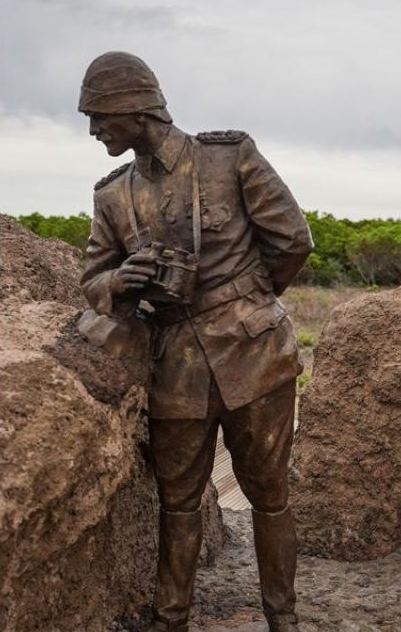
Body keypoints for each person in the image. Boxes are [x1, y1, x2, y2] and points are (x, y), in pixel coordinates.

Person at [78, 51, 313, 632]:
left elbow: (292, 239)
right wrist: (121, 280)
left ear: (136, 109)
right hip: (175, 364)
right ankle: (170, 618)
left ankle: (282, 617)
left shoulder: (228, 157)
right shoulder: (112, 196)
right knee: (178, 500)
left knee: (269, 492)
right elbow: (92, 279)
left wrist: (248, 300)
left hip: (255, 354)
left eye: (100, 116)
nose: (93, 130)